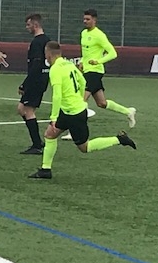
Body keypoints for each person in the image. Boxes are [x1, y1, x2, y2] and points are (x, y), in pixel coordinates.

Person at [29, 41, 136, 179]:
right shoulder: (69, 65)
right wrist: (78, 98)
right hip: (69, 110)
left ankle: (119, 139)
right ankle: (45, 170)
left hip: (74, 114)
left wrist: (54, 117)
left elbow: (57, 95)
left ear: (48, 54)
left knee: (84, 147)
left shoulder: (55, 69)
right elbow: (83, 82)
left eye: (45, 54)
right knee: (49, 135)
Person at [61, 8, 136, 141]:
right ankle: (128, 111)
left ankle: (75, 132)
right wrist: (82, 62)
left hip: (95, 72)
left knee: (80, 100)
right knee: (101, 103)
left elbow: (113, 53)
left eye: (88, 19)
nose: (85, 21)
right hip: (87, 71)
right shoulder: (84, 33)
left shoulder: (99, 35)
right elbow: (86, 53)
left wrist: (98, 61)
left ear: (94, 20)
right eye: (84, 19)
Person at [18, 13, 50, 155]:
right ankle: (37, 142)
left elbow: (36, 65)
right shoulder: (47, 41)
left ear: (35, 25)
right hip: (43, 79)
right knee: (21, 109)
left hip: (36, 80)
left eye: (28, 25)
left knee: (27, 111)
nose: (27, 27)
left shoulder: (37, 42)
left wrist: (25, 84)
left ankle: (37, 145)